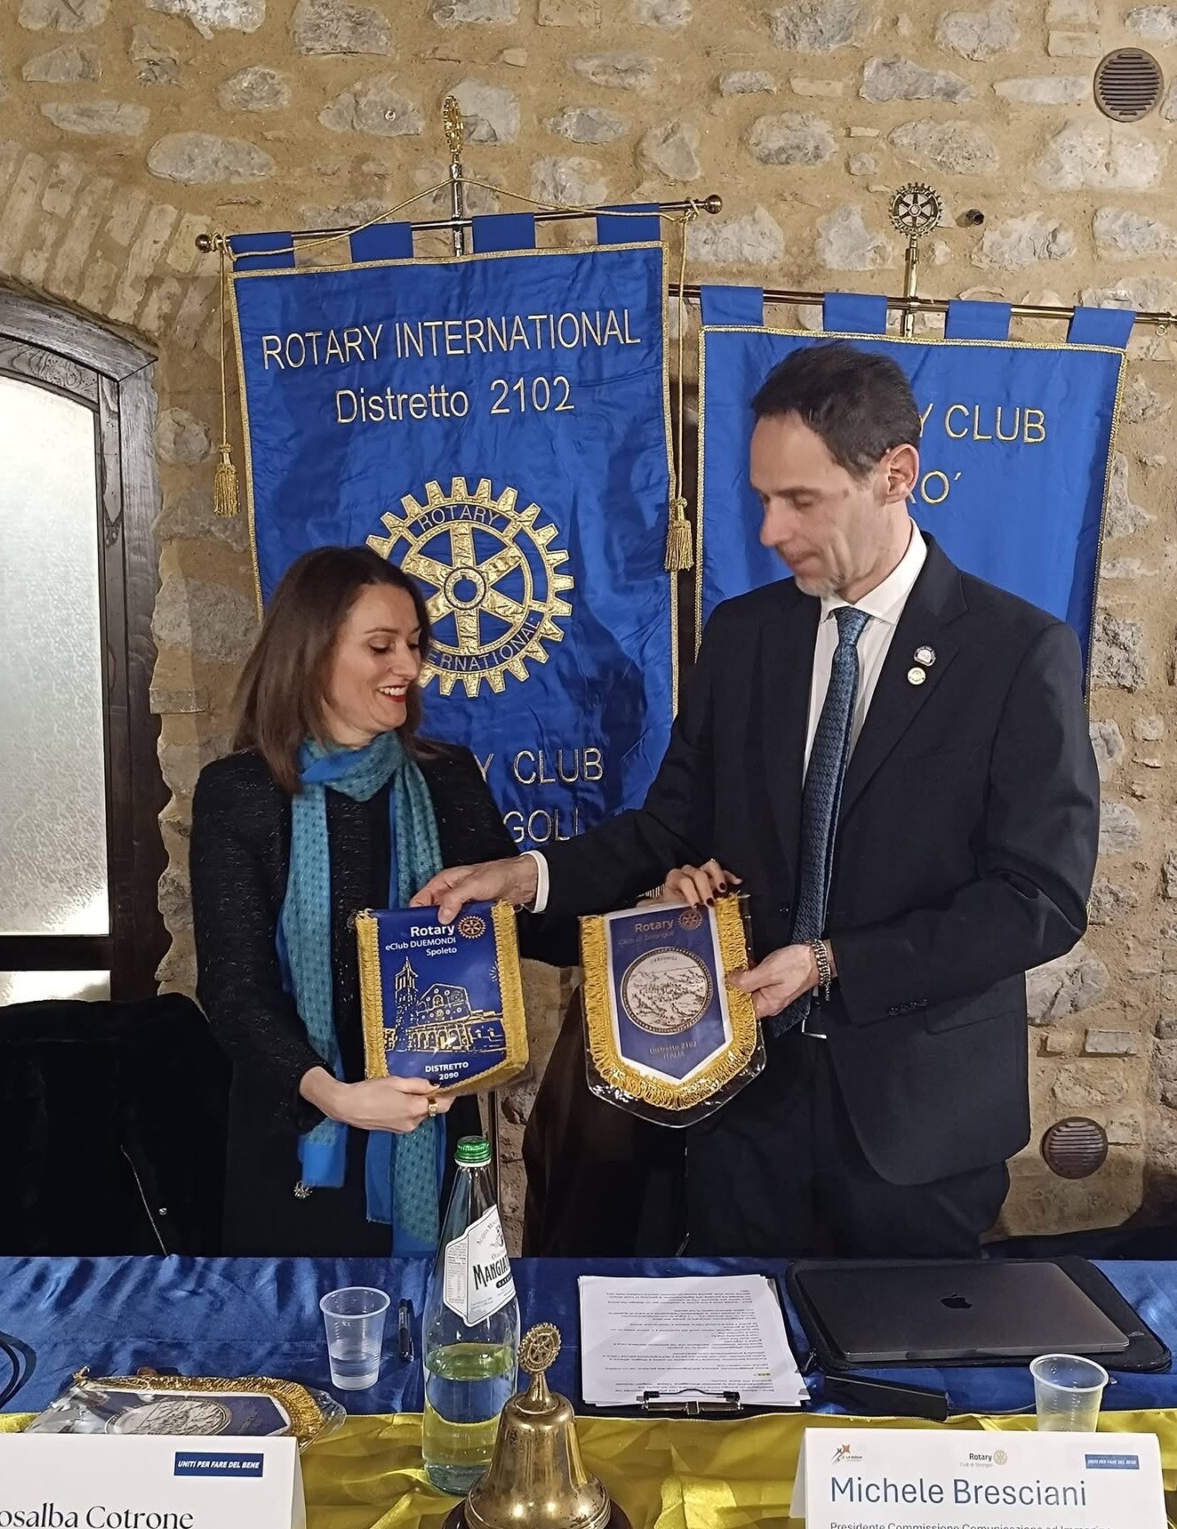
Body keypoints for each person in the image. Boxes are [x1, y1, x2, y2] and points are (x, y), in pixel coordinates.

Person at [412, 341, 1101, 1260]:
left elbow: (1038, 899)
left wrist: (831, 962)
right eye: (764, 499)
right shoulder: (744, 637)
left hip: (915, 1125)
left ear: (897, 475)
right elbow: (668, 829)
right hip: (740, 1110)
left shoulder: (1018, 653)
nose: (771, 530)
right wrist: (526, 877)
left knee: (892, 1353)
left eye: (801, 501)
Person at [191, 545, 572, 1257]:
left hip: (436, 1124)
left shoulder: (448, 777)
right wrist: (337, 1096)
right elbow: (234, 991)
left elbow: (530, 929)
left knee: (445, 1318)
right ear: (312, 652)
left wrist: (654, 900)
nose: (409, 666)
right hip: (301, 1136)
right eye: (381, 646)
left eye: (415, 644)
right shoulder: (240, 792)